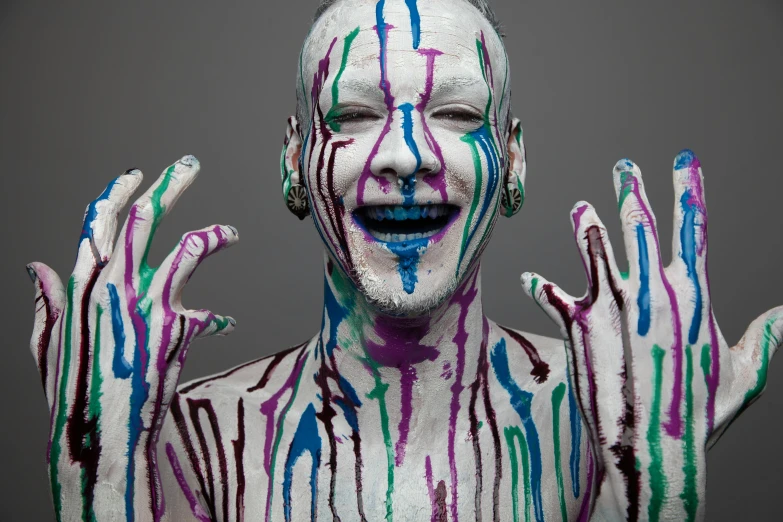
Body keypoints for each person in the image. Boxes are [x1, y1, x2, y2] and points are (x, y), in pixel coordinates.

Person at [25, 0, 782, 520]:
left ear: (511, 161)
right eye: (352, 115)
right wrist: (100, 473)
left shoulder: (614, 411)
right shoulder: (185, 440)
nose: (407, 155)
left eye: (456, 114)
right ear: (295, 160)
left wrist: (654, 481)